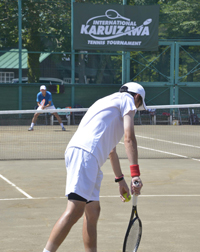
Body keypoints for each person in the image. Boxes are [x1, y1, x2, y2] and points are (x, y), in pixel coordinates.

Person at [43, 82, 147, 252]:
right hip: (87, 154)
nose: (136, 109)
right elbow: (129, 138)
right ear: (136, 97)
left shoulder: (106, 102)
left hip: (83, 154)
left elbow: (111, 151)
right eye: (138, 104)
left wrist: (120, 180)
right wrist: (135, 174)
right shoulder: (127, 100)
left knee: (92, 212)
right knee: (75, 209)